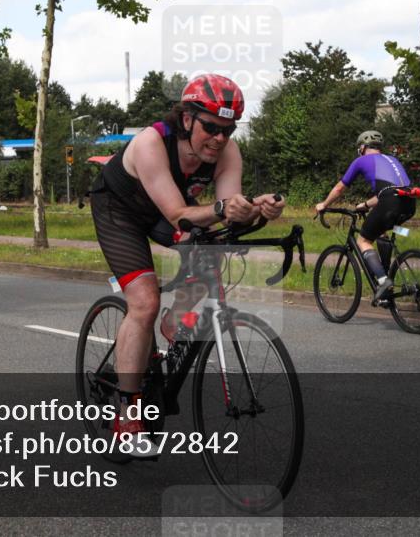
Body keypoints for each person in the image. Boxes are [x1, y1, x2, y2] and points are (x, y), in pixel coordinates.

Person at [89, 73, 285, 454]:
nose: (219, 138)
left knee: (213, 249)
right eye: (211, 127)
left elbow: (227, 214)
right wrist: (220, 209)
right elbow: (180, 212)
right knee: (143, 302)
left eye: (228, 130)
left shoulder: (227, 152)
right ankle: (127, 414)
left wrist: (257, 210)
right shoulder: (152, 143)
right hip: (121, 211)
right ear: (187, 119)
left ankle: (173, 318)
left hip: (166, 213)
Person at [314, 130, 416, 302]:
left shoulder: (361, 160)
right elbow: (389, 191)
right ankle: (384, 283)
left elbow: (340, 188)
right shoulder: (393, 160)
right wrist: (365, 205)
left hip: (390, 203)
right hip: (410, 203)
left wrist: (324, 205)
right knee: (381, 232)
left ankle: (384, 282)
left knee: (363, 241)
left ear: (362, 147)